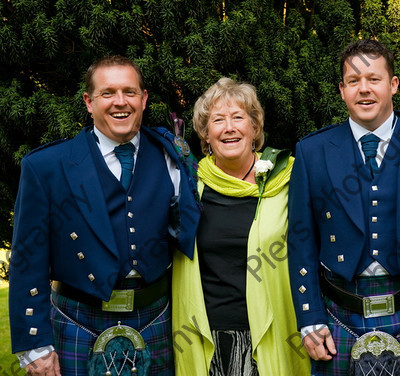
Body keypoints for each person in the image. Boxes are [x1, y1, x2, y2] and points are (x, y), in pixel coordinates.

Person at [8, 55, 200, 375]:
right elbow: (28, 260)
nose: (120, 102)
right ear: (89, 102)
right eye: (108, 93)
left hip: (156, 318)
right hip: (77, 321)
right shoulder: (47, 167)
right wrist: (34, 346)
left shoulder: (173, 154)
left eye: (129, 92)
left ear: (144, 98)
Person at [287, 39, 400, 375]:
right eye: (354, 82)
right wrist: (310, 317)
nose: (364, 90)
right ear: (342, 90)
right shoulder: (313, 151)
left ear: (393, 84)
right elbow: (300, 241)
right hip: (338, 316)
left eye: (374, 79)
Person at [171, 77, 311, 375]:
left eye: (238, 117)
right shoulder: (187, 186)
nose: (229, 127)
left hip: (277, 333)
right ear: (205, 135)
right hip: (208, 340)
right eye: (218, 120)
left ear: (255, 128)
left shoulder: (289, 178)